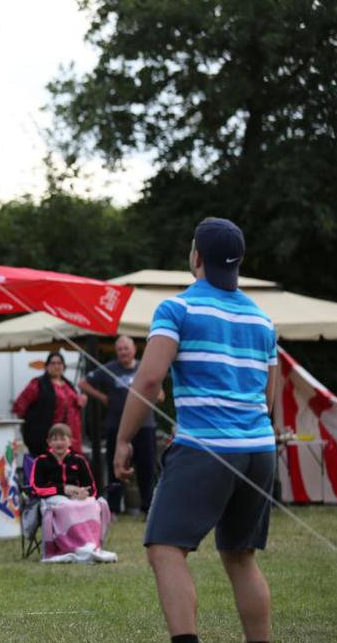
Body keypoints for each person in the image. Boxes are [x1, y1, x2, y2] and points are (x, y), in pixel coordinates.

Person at [114, 217, 277, 643]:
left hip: (206, 448)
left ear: (196, 257)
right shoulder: (263, 320)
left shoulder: (177, 309)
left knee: (165, 549)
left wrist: (123, 439)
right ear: (239, 261)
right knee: (240, 557)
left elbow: (149, 379)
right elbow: (269, 398)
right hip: (260, 449)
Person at [80, 335, 165, 515]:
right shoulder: (110, 369)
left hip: (145, 425)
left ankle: (148, 508)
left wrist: (149, 395)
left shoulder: (144, 367)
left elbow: (161, 395)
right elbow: (83, 383)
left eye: (126, 348)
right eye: (120, 349)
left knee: (146, 466)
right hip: (116, 426)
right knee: (116, 466)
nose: (123, 352)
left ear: (134, 349)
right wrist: (103, 398)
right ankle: (113, 508)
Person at [31, 423, 115, 564]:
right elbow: (36, 488)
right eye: (55, 439)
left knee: (92, 504)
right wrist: (62, 489)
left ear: (70, 441)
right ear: (49, 442)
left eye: (63, 439)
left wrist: (84, 493)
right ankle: (70, 546)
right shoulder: (41, 461)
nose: (59, 443)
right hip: (52, 498)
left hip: (75, 497)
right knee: (66, 506)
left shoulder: (79, 460)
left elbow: (92, 489)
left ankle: (89, 545)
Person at [12, 351, 87, 457]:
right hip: (48, 436)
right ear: (47, 366)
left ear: (63, 366)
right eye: (53, 363)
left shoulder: (68, 384)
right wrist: (28, 427)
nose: (56, 366)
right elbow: (20, 406)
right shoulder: (38, 384)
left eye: (59, 363)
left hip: (70, 436)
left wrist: (81, 400)